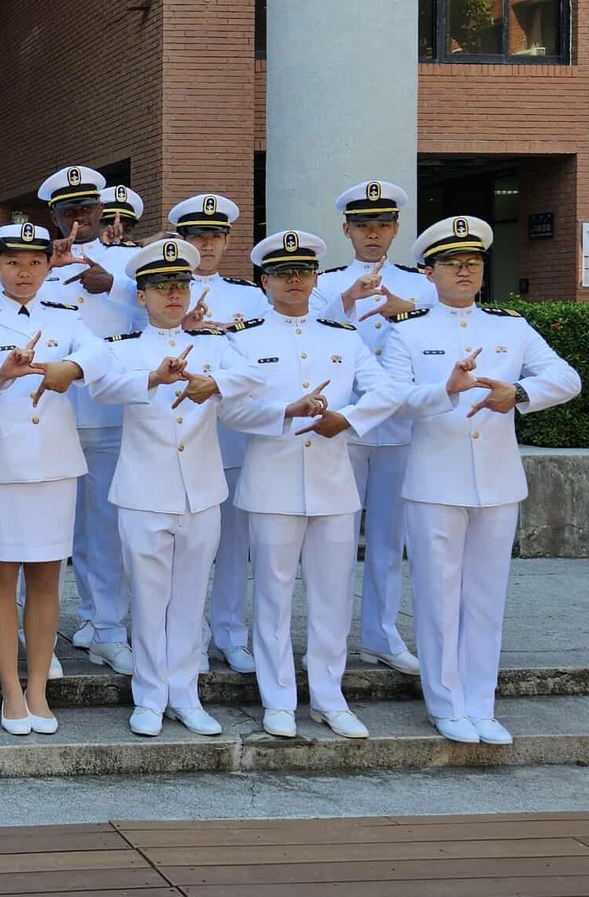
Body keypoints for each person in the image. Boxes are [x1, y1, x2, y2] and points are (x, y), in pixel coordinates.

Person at [383, 216, 581, 744]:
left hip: (497, 481)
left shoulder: (510, 327)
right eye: (452, 262)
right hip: (434, 481)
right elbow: (394, 400)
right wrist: (444, 391)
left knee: (487, 598)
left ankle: (481, 703)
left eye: (472, 262)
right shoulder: (408, 331)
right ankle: (445, 703)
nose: (465, 270)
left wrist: (516, 394)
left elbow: (565, 377)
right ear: (429, 272)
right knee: (437, 595)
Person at [219, 231, 404, 740]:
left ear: (317, 278)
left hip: (332, 484)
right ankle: (277, 699)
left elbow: (389, 389)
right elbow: (229, 408)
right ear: (264, 280)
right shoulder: (244, 337)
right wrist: (285, 412)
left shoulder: (342, 337)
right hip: (272, 481)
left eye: (303, 271)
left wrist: (346, 418)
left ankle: (329, 695)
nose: (294, 279)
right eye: (282, 272)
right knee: (273, 597)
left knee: (332, 597)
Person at [88, 239, 263, 738]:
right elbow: (100, 387)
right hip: (144, 492)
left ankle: (185, 693)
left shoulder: (216, 344)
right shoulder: (122, 347)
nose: (173, 295)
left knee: (190, 599)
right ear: (140, 296)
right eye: (161, 287)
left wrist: (217, 383)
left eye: (180, 285)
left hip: (201, 491)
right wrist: (150, 377)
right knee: (147, 598)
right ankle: (148, 694)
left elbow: (257, 373)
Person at [0, 223, 110, 736]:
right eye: (13, 262)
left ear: (48, 266)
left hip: (54, 464)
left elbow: (101, 353)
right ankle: (10, 690)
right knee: (1, 580)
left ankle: (39, 687)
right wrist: (4, 372)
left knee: (46, 579)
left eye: (35, 262)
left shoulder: (66, 316)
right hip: (0, 464)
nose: (24, 272)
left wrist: (71, 366)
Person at [312, 180, 437, 675]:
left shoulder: (422, 283)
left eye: (382, 224)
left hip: (400, 422)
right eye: (363, 225)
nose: (373, 233)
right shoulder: (325, 282)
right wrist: (347, 299)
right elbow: (310, 331)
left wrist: (403, 310)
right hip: (345, 422)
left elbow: (440, 334)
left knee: (389, 537)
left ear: (396, 228)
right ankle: (333, 638)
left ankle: (381, 634)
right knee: (338, 538)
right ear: (346, 228)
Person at [37, 166, 135, 678]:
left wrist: (115, 285)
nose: (78, 218)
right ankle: (40, 637)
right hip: (51, 418)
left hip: (111, 418)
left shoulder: (133, 263)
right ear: (53, 216)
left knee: (105, 532)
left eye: (86, 208)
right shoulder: (38, 262)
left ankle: (107, 628)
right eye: (67, 211)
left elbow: (164, 321)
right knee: (47, 533)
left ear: (103, 210)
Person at [167, 193, 270, 675]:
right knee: (178, 546)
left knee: (232, 542)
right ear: (181, 241)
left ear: (228, 240)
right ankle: (185, 635)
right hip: (178, 431)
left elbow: (260, 362)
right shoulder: (161, 286)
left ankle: (229, 630)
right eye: (195, 236)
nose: (205, 244)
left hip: (232, 433)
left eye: (214, 235)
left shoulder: (250, 296)